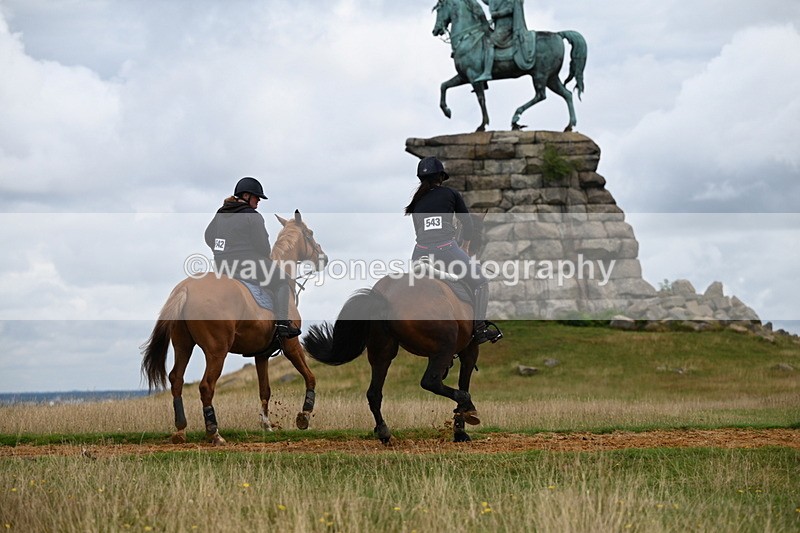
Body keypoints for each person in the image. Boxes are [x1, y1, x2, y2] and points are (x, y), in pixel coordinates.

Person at [406, 157, 502, 344]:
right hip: (446, 249)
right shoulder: (451, 194)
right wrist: (465, 246)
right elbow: (467, 223)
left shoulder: (416, 202)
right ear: (441, 177)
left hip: (419, 253)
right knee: (481, 282)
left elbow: (420, 232)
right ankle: (480, 329)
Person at [204, 176, 301, 339]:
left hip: (222, 267)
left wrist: (222, 251)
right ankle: (283, 325)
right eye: (257, 197)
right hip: (248, 265)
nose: (258, 201)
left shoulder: (221, 213)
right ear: (247, 196)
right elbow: (263, 247)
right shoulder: (252, 215)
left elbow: (208, 236)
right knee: (283, 280)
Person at [475, 0, 535, 82]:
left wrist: (497, 14)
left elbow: (510, 9)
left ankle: (487, 72)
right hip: (498, 28)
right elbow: (488, 1)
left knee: (490, 42)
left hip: (507, 28)